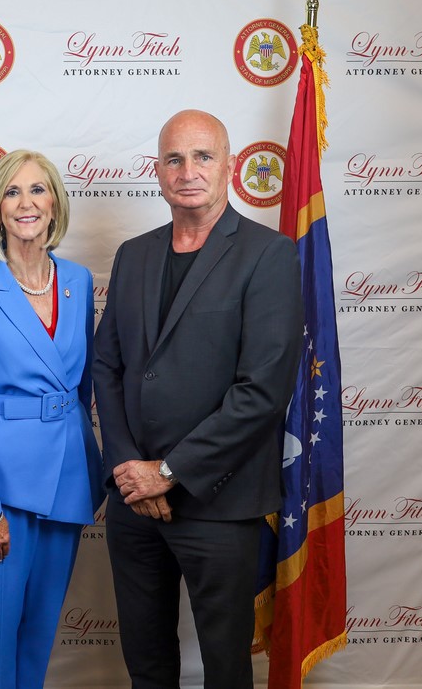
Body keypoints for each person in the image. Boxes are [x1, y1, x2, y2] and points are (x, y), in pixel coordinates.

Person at [93, 109, 303, 689]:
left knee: (225, 669)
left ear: (229, 165)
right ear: (158, 171)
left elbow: (263, 391)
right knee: (146, 665)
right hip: (134, 501)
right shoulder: (134, 254)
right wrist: (129, 468)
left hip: (217, 501)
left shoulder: (269, 254)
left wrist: (168, 472)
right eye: (174, 159)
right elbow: (108, 365)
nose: (188, 171)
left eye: (203, 156)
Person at [0, 150, 104, 689]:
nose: (25, 202)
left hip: (68, 475)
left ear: (55, 203)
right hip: (4, 487)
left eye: (37, 189)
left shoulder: (78, 280)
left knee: (40, 630)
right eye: (12, 192)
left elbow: (81, 389)